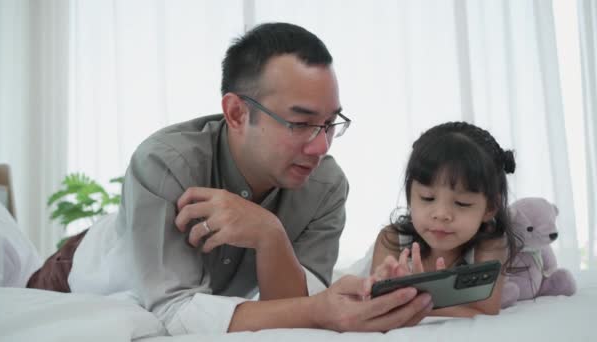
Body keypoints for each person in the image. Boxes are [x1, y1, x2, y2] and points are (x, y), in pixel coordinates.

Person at [27, 22, 433, 334]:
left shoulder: (326, 185)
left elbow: (293, 310)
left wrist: (269, 234)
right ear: (237, 113)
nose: (321, 146)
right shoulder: (166, 162)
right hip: (77, 272)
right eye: (301, 123)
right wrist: (321, 308)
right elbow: (173, 310)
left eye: (330, 123)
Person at [370, 121, 520, 317]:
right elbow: (376, 303)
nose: (441, 214)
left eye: (462, 203)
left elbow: (486, 309)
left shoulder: (490, 244)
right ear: (410, 196)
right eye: (427, 198)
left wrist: (416, 301)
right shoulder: (392, 238)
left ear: (490, 208)